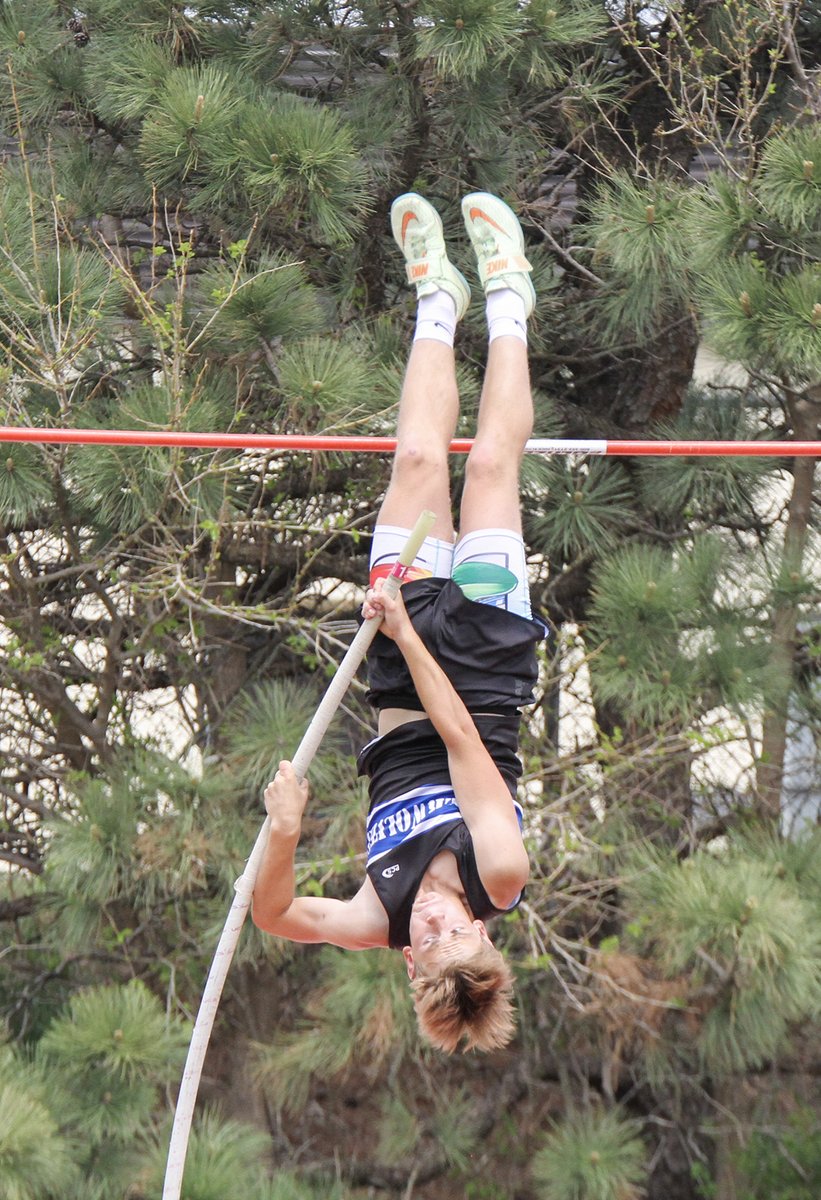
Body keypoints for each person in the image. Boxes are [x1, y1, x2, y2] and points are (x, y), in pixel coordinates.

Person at [252, 191, 545, 1053]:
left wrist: (285, 832)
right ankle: (508, 296)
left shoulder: (376, 909)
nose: (427, 926)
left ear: (407, 967)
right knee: (489, 463)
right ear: (484, 933)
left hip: (394, 671)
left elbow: (274, 914)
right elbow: (459, 740)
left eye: (422, 947)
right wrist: (409, 635)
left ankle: (437, 297)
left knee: (417, 458)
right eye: (449, 933)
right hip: (481, 666)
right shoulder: (500, 872)